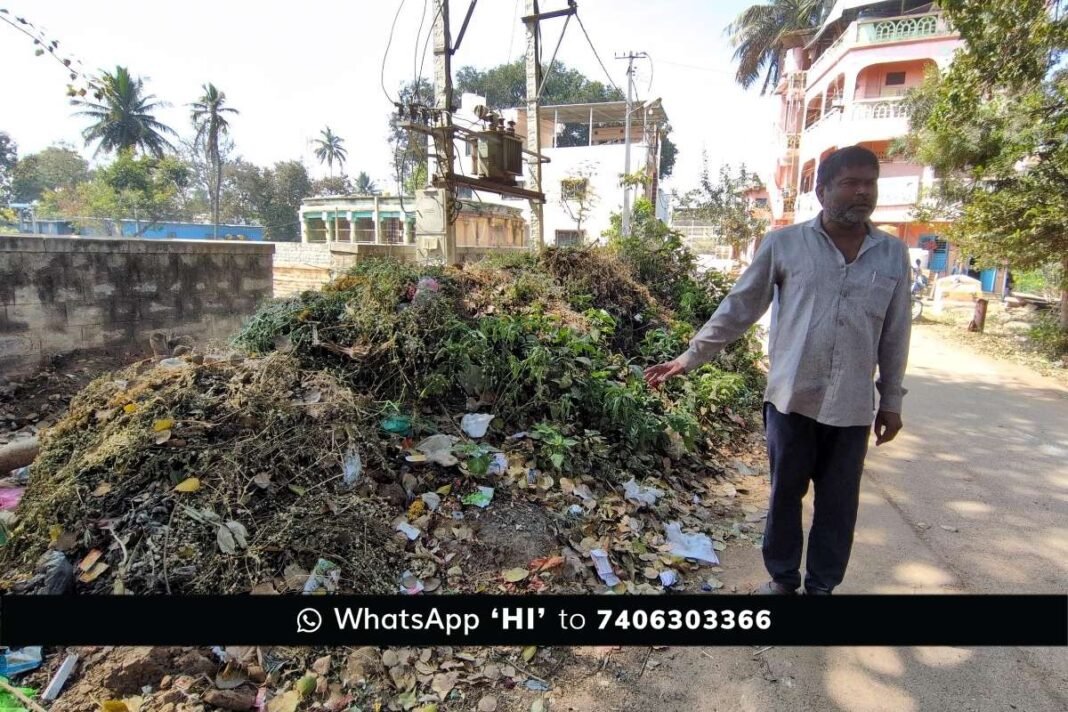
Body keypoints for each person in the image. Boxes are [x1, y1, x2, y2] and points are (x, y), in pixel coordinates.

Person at [644, 145, 911, 596]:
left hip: (850, 408)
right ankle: (783, 580)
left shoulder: (892, 255)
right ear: (823, 190)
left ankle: (822, 588)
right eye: (851, 182)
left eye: (870, 182)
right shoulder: (785, 245)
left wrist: (891, 401)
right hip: (791, 399)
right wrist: (690, 356)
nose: (863, 191)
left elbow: (896, 332)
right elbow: (741, 306)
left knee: (839, 505)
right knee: (785, 497)